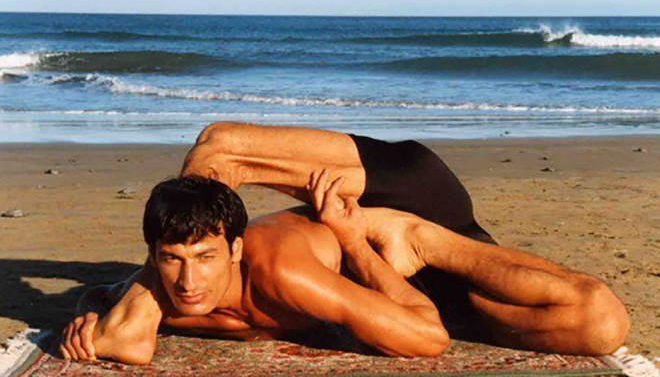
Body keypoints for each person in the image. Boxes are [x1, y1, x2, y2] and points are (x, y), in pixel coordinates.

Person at [59, 122, 629, 365]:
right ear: (156, 259)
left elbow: (423, 338)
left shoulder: (279, 270)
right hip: (410, 276)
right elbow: (97, 296)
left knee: (219, 148)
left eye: (204, 256)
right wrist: (101, 311)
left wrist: (355, 239)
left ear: (233, 250)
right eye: (171, 260)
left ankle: (417, 235)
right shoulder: (177, 298)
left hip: (398, 200)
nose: (187, 279)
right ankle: (423, 246)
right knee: (600, 324)